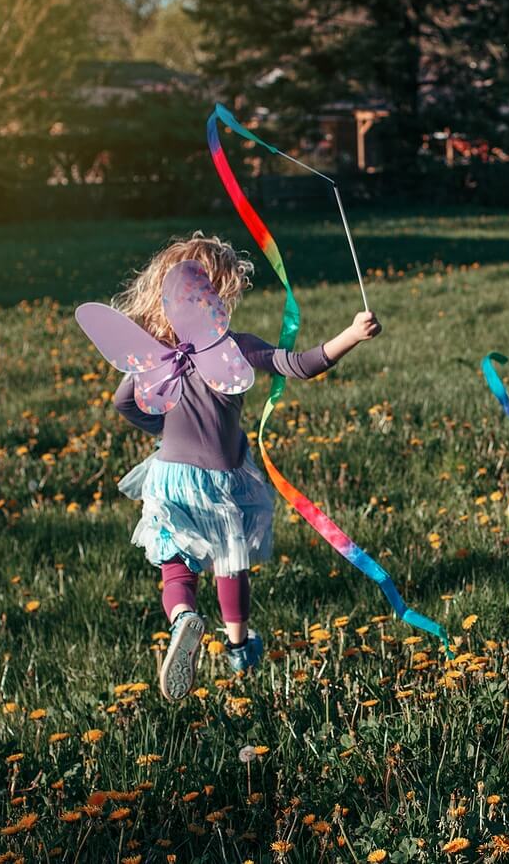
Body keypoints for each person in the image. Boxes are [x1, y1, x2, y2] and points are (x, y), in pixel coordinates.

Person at [105, 234, 380, 699]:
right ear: (217, 295)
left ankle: (184, 618)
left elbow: (123, 402)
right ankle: (238, 648)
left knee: (177, 568)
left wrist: (159, 427)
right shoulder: (236, 347)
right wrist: (351, 334)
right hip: (226, 476)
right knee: (230, 563)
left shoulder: (154, 356)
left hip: (172, 474)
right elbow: (299, 364)